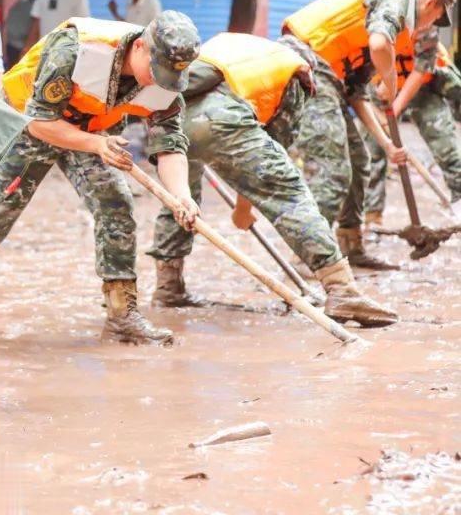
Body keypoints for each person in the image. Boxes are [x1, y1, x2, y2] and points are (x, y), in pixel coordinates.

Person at [0, 12, 201, 345]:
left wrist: (180, 196)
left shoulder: (165, 82)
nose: (159, 82)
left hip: (91, 131)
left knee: (115, 203)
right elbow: (39, 122)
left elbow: (170, 143)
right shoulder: (76, 48)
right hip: (30, 123)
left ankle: (122, 317)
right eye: (156, 71)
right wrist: (97, 144)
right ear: (140, 47)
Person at [147, 32, 397, 326]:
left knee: (180, 196)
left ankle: (167, 287)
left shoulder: (235, 46)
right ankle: (342, 289)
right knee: (288, 193)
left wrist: (243, 208)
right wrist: (243, 209)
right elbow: (268, 160)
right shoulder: (295, 71)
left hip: (171, 119)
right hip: (221, 120)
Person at [279, 0, 451, 269]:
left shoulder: (391, 25)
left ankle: (351, 244)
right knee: (335, 170)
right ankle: (307, 258)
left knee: (359, 161)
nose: (431, 26)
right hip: (306, 67)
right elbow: (379, 45)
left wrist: (386, 144)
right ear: (431, 3)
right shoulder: (396, 0)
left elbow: (356, 93)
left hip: (327, 78)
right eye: (435, 18)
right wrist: (391, 81)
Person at [354, 0, 460, 222]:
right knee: (373, 150)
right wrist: (379, 111)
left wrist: (394, 107)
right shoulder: (370, 14)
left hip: (422, 88)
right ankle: (372, 218)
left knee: (445, 144)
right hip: (380, 90)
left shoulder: (423, 21)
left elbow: (420, 71)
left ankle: (459, 202)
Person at [4, 0, 40, 67]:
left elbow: (8, 22)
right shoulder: (36, 7)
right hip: (25, 46)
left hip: (11, 44)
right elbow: (34, 29)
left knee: (12, 72)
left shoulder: (19, 2)